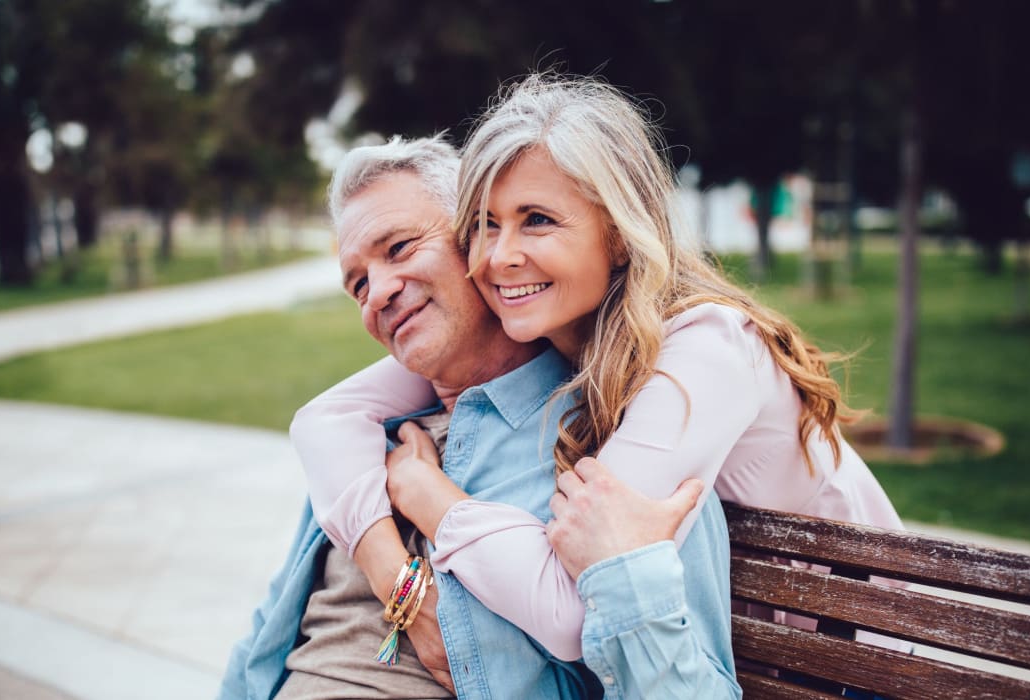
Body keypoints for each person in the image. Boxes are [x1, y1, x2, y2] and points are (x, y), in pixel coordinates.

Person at [292, 72, 905, 671]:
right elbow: (327, 418)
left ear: (617, 234)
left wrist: (428, 497)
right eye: (484, 224)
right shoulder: (541, 327)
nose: (500, 256)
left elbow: (571, 610)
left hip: (859, 668)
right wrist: (389, 569)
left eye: (537, 219)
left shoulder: (709, 348)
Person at [220, 135, 738, 700]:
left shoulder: (620, 457)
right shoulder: (363, 450)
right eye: (358, 284)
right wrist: (403, 587)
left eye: (398, 248)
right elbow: (266, 635)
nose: (377, 295)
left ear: (477, 244)